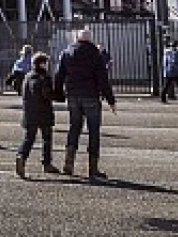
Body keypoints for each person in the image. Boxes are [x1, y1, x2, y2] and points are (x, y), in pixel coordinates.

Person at [53, 28, 117, 180]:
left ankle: (68, 164)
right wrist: (111, 100)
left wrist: (58, 94)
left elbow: (59, 75)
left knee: (74, 127)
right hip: (91, 96)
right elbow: (103, 79)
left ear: (76, 39)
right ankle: (92, 168)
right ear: (90, 39)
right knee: (94, 131)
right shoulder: (95, 54)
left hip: (73, 96)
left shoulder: (66, 53)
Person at [14, 53, 59, 179]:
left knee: (29, 138)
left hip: (29, 112)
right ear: (43, 64)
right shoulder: (44, 77)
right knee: (47, 139)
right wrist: (58, 95)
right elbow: (47, 94)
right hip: (43, 112)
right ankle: (47, 163)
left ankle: (21, 156)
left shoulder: (27, 76)